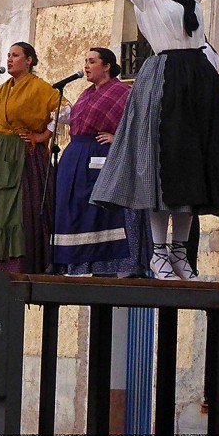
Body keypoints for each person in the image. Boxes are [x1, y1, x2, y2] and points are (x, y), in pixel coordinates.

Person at [90, 0, 219, 280]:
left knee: (192, 166)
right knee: (164, 164)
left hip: (198, 79)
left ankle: (179, 254)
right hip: (166, 77)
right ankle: (157, 253)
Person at [0, 42, 61, 273]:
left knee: (20, 209)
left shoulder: (41, 88)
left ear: (29, 60)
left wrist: (42, 136)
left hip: (23, 155)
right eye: (8, 55)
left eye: (15, 55)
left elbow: (64, 112)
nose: (9, 59)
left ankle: (17, 265)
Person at [53, 48, 151, 277]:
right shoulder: (86, 94)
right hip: (76, 159)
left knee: (104, 213)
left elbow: (140, 124)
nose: (86, 66)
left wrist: (117, 138)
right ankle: (77, 264)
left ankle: (114, 266)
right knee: (78, 212)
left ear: (106, 66)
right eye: (85, 61)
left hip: (104, 160)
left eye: (92, 62)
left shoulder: (122, 92)